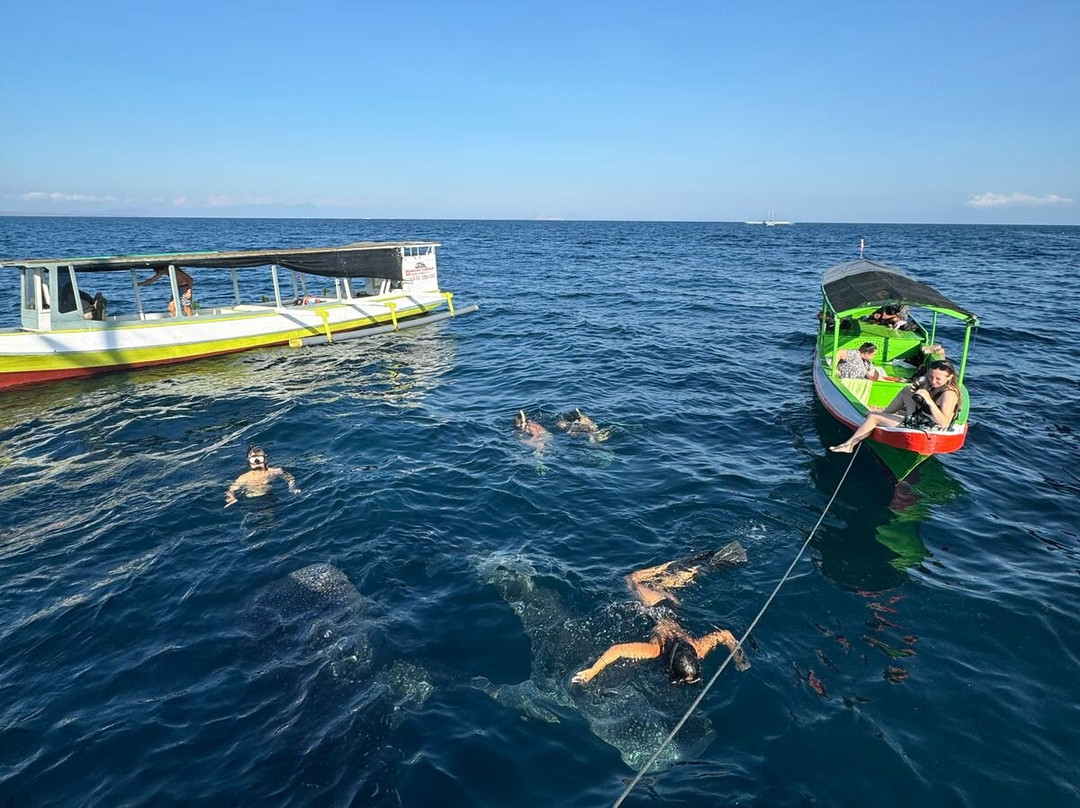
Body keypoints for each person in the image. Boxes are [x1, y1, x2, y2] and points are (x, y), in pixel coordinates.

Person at [572, 543, 751, 686]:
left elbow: (726, 635)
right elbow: (617, 650)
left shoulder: (697, 648)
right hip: (655, 605)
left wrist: (740, 658)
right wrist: (592, 672)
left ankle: (699, 568)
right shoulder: (654, 650)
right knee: (631, 580)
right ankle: (672, 567)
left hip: (673, 607)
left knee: (663, 586)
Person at [829, 359, 960, 453]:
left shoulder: (948, 394)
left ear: (950, 377)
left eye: (938, 379)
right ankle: (885, 414)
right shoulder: (932, 385)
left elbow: (944, 423)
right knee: (906, 391)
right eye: (931, 376)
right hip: (922, 416)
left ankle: (849, 445)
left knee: (873, 417)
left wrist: (928, 400)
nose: (933, 381)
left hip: (928, 425)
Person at [225, 444, 301, 506]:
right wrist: (231, 498)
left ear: (265, 460)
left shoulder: (274, 471)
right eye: (253, 459)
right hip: (251, 500)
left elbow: (289, 478)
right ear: (249, 462)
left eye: (259, 459)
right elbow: (231, 489)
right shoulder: (244, 478)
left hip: (269, 496)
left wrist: (292, 488)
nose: (256, 462)